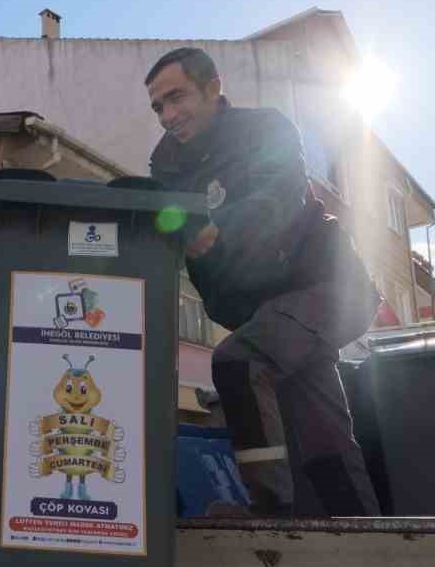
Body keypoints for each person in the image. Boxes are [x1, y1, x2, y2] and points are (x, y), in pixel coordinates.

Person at [145, 47, 383, 516]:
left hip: (327, 289)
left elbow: (280, 195)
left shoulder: (265, 129)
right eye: (158, 107)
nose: (168, 116)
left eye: (177, 98)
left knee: (238, 362)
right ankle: (368, 539)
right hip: (268, 313)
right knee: (323, 438)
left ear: (213, 87)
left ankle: (268, 509)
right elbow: (167, 222)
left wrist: (219, 227)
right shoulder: (167, 163)